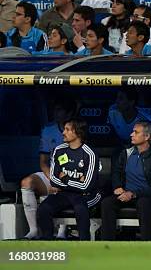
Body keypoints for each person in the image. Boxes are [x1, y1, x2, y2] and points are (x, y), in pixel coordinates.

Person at [101, 121, 151, 241]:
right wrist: (117, 186)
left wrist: (133, 194)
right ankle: (107, 244)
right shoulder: (126, 153)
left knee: (144, 203)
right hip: (125, 194)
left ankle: (145, 243)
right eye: (132, 132)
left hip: (145, 195)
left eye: (136, 132)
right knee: (107, 203)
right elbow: (116, 172)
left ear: (147, 137)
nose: (131, 134)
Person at [20, 99, 77, 239]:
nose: (56, 113)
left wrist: (60, 181)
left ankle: (62, 232)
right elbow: (43, 161)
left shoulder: (77, 130)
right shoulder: (48, 130)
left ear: (69, 113)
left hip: (71, 176)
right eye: (55, 109)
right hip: (51, 173)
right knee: (26, 182)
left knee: (63, 188)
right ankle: (34, 230)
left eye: (60, 110)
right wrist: (52, 178)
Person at [37, 119, 100, 241]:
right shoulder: (59, 150)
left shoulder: (89, 153)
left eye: (67, 130)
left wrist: (65, 178)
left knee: (80, 209)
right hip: (64, 194)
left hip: (86, 195)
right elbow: (54, 179)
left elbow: (86, 186)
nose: (63, 133)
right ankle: (47, 242)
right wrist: (76, 181)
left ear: (78, 133)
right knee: (44, 209)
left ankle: (84, 245)